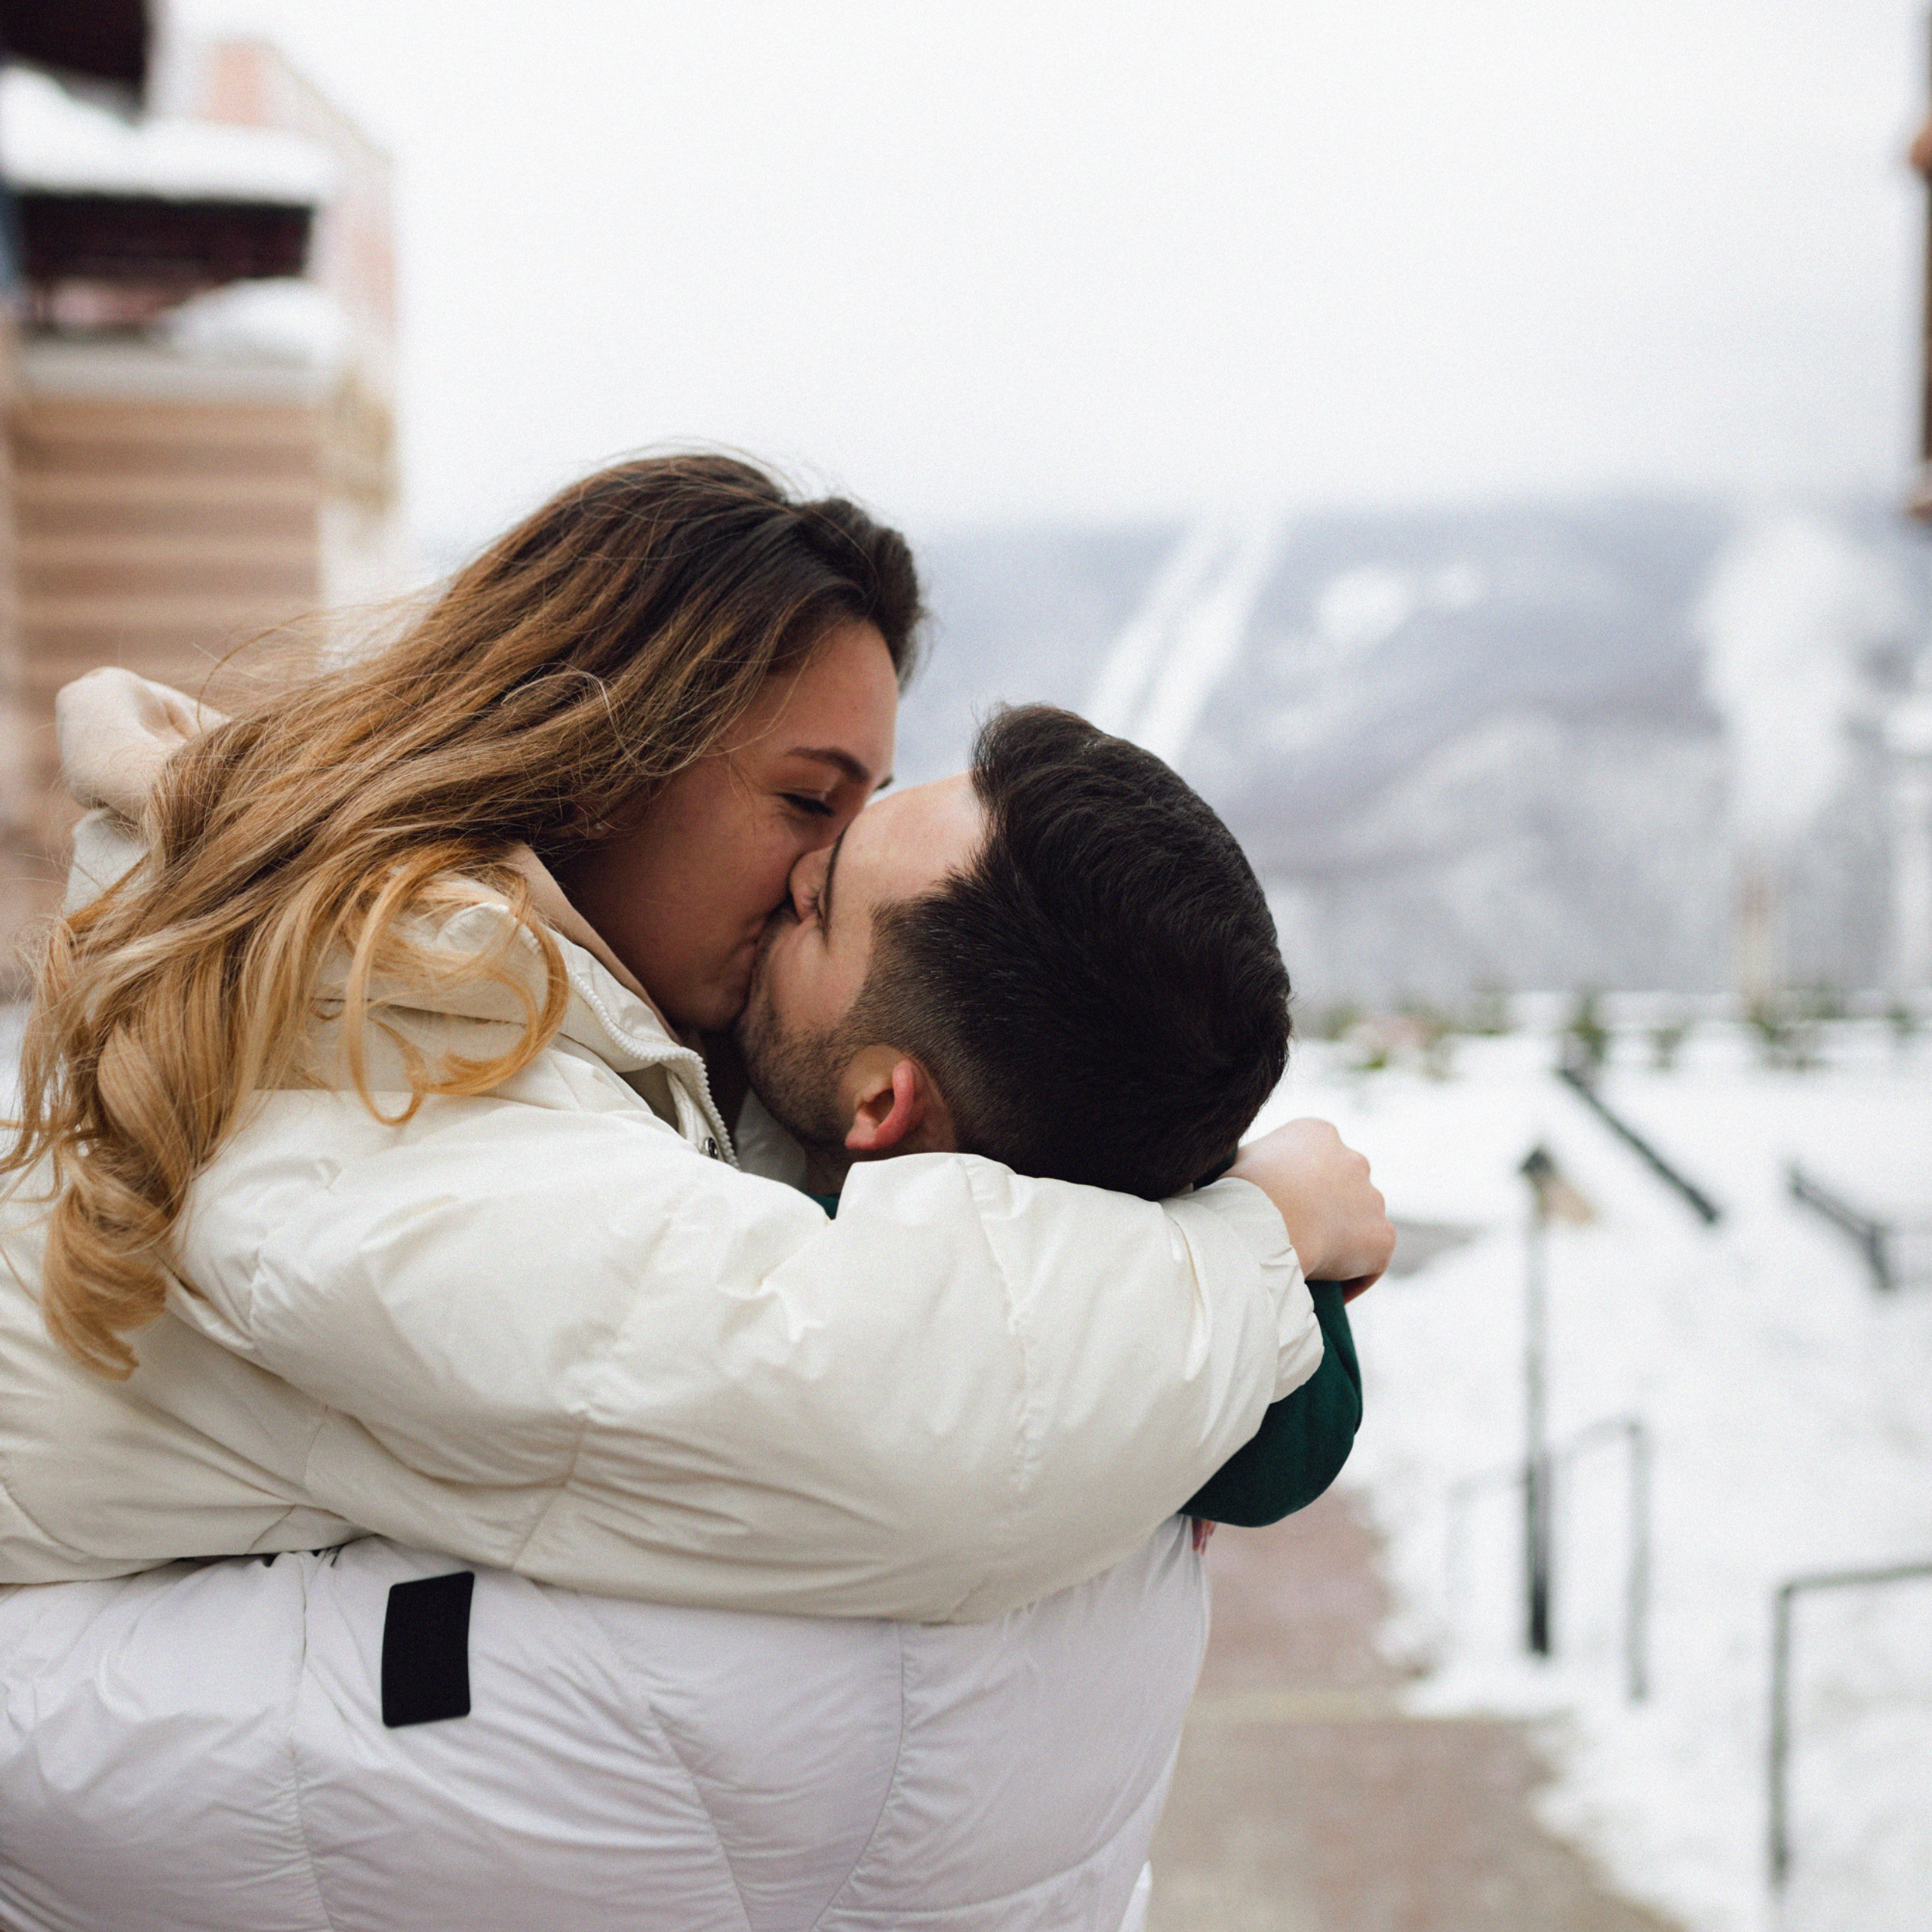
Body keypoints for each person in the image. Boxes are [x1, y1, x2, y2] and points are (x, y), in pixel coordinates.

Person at [1, 682, 1377, 1931]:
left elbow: (154, 1771)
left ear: (885, 1103)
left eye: (818, 902)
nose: (780, 882)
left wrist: (1260, 1242)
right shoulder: (1146, 1435)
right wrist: (1263, 1235)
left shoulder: (808, 1486)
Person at [0, 454, 1388, 1618]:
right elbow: (881, 1407)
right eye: (806, 802)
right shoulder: (367, 1042)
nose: (817, 876)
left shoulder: (571, 1041)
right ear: (595, 759)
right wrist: (1259, 1240)